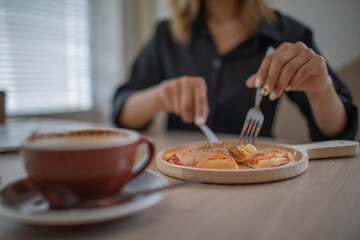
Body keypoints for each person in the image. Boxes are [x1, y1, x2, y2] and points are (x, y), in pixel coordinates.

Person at [112, 0, 358, 141]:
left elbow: (339, 135)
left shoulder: (288, 34)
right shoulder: (166, 34)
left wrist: (321, 89)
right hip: (183, 176)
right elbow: (122, 112)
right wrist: (160, 95)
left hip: (256, 182)